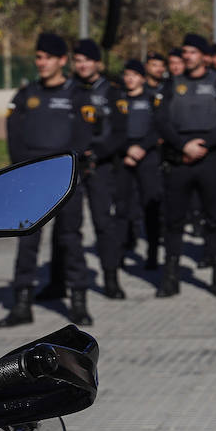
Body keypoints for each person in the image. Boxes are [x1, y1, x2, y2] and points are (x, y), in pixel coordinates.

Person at [0, 33, 93, 328]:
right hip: (32, 180)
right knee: (27, 241)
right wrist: (24, 172)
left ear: (62, 61)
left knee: (70, 240)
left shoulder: (78, 96)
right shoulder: (26, 95)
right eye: (38, 57)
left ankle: (78, 302)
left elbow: (84, 137)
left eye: (48, 58)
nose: (41, 63)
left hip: (65, 179)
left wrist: (66, 169)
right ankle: (22, 304)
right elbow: (14, 135)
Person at [155, 33, 216, 299]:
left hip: (210, 158)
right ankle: (171, 277)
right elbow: (162, 120)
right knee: (174, 220)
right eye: (184, 52)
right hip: (179, 158)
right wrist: (183, 146)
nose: (187, 56)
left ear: (203, 56)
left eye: (192, 52)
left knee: (215, 219)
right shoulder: (171, 84)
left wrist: (205, 145)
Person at [72, 39, 128, 299]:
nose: (82, 65)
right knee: (68, 226)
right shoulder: (69, 89)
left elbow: (119, 132)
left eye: (87, 60)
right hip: (71, 167)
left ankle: (111, 278)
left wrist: (98, 152)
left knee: (103, 224)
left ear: (98, 63)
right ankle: (63, 281)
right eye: (78, 60)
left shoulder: (112, 91)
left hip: (101, 166)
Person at [117, 60, 163, 272]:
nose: (129, 78)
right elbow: (113, 130)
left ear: (143, 78)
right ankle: (120, 252)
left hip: (147, 157)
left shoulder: (152, 99)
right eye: (127, 74)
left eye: (134, 75)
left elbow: (158, 128)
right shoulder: (118, 100)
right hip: (124, 158)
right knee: (123, 208)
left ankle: (152, 253)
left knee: (150, 207)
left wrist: (141, 149)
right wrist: (127, 149)